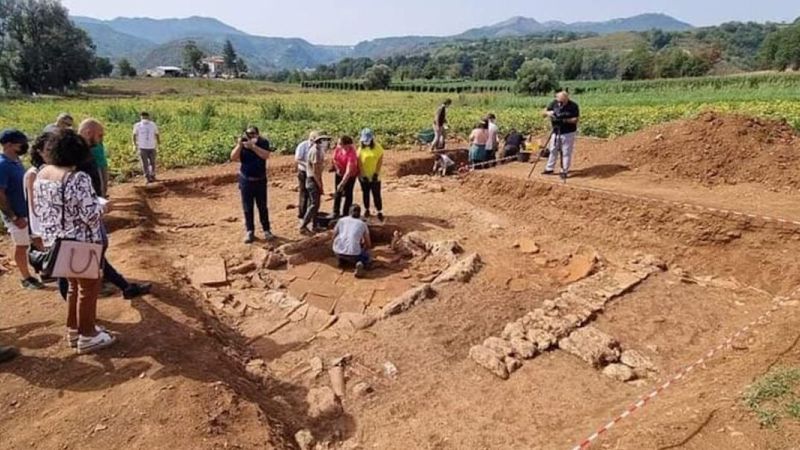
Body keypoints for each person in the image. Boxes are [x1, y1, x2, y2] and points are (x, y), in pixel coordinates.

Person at [34, 130, 116, 354]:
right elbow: (89, 214)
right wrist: (104, 206)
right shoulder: (77, 178)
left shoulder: (43, 174)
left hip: (57, 241)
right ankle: (88, 335)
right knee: (89, 289)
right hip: (81, 242)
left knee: (73, 286)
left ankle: (73, 329)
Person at [75, 120, 151, 300]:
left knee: (99, 247)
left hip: (93, 207)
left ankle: (121, 285)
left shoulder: (85, 151)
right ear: (88, 132)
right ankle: (102, 287)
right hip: (84, 213)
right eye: (99, 135)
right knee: (94, 249)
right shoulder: (75, 153)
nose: (101, 139)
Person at [0, 129, 44, 289]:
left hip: (27, 212)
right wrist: (13, 217)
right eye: (21, 143)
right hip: (16, 215)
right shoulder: (3, 165)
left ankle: (44, 270)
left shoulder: (16, 161)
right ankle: (26, 278)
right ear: (9, 145)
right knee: (22, 245)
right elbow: (0, 194)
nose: (25, 146)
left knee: (37, 240)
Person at [231, 126, 274, 243]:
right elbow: (233, 157)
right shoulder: (243, 144)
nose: (251, 136)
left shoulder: (263, 142)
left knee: (262, 206)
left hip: (260, 179)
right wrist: (240, 145)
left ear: (258, 134)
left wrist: (253, 147)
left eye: (253, 134)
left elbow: (266, 155)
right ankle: (250, 231)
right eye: (249, 134)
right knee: (247, 207)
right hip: (246, 180)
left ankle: (267, 230)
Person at [542, 91, 580, 179]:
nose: (560, 102)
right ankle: (549, 168)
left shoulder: (573, 106)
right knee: (553, 150)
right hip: (555, 131)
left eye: (562, 101)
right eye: (558, 100)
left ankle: (564, 170)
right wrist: (548, 113)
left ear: (566, 98)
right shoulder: (554, 103)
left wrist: (564, 120)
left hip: (568, 132)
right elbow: (543, 112)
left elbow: (575, 119)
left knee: (566, 152)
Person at [299, 134, 332, 235]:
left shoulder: (317, 150)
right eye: (325, 140)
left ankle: (314, 225)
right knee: (314, 204)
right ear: (320, 141)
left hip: (312, 180)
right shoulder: (316, 152)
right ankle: (303, 226)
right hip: (312, 180)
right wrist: (320, 185)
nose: (327, 142)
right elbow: (315, 171)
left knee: (315, 204)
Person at [332, 204, 371, 278]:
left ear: (349, 212)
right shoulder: (362, 224)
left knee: (343, 248)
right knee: (366, 255)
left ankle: (341, 260)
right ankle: (360, 263)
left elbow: (333, 236)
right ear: (360, 214)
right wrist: (363, 247)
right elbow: (368, 244)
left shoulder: (341, 220)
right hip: (354, 254)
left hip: (337, 251)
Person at [357, 129, 385, 221]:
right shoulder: (360, 149)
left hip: (375, 176)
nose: (366, 143)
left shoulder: (378, 148)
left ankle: (379, 211)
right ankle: (366, 209)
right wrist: (363, 175)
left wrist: (376, 173)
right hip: (364, 176)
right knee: (366, 193)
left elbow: (379, 161)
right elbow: (359, 162)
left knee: (376, 194)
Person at [294, 131, 320, 224]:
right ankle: (302, 215)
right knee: (303, 193)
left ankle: (310, 216)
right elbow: (297, 159)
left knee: (312, 195)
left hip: (312, 173)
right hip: (303, 172)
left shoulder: (318, 148)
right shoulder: (303, 145)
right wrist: (308, 165)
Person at [332, 135, 358, 219]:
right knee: (337, 192)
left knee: (348, 193)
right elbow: (334, 159)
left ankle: (346, 213)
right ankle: (335, 212)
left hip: (350, 176)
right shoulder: (338, 149)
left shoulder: (352, 154)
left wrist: (342, 183)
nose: (338, 145)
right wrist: (338, 168)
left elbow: (348, 171)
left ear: (346, 145)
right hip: (340, 173)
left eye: (340, 143)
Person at [132, 111, 160, 183]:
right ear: (141, 117)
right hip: (142, 147)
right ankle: (147, 177)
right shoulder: (137, 125)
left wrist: (158, 143)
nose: (144, 118)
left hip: (152, 146)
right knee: (145, 163)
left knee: (152, 162)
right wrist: (134, 145)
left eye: (146, 116)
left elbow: (157, 134)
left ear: (148, 117)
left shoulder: (153, 125)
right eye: (143, 117)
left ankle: (152, 174)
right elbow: (134, 135)